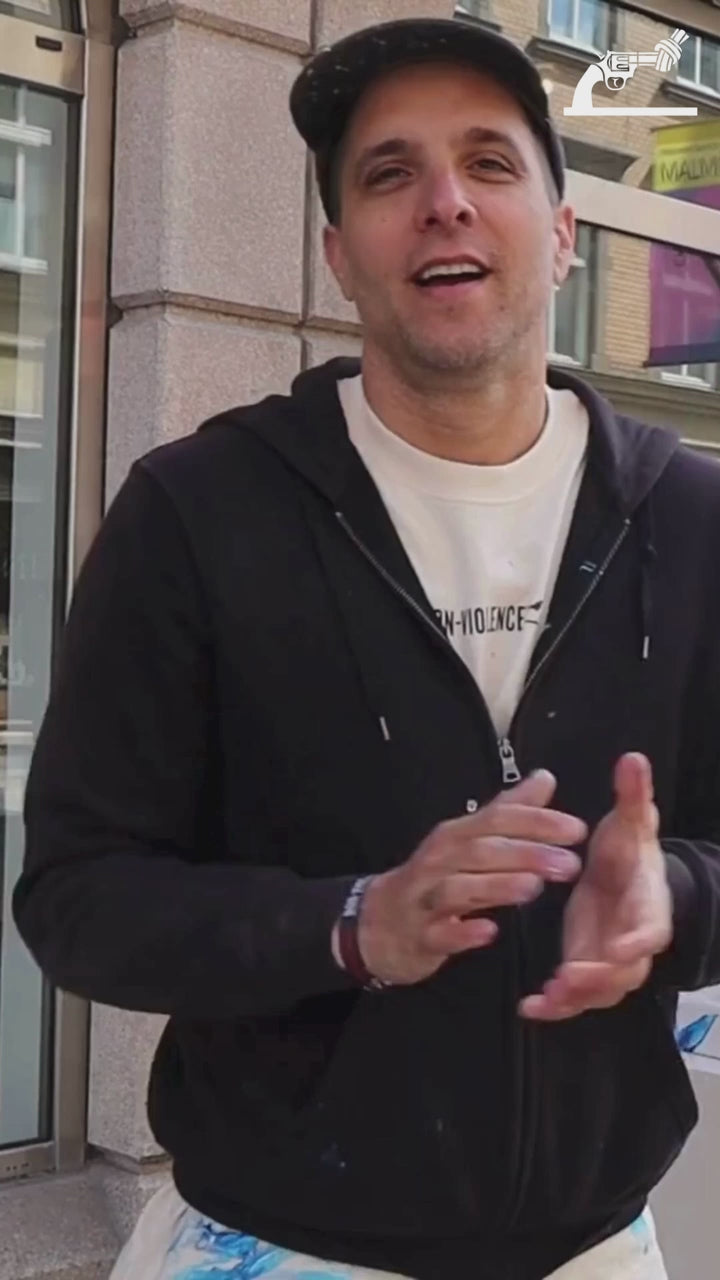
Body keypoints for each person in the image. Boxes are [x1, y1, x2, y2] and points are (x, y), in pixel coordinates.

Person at [12, 16, 720, 1280]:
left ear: (564, 232)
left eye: (490, 162)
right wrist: (351, 924)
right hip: (270, 1244)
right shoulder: (198, 511)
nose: (445, 201)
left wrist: (675, 894)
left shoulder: (692, 519)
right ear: (339, 253)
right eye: (391, 174)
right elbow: (78, 898)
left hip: (600, 1249)